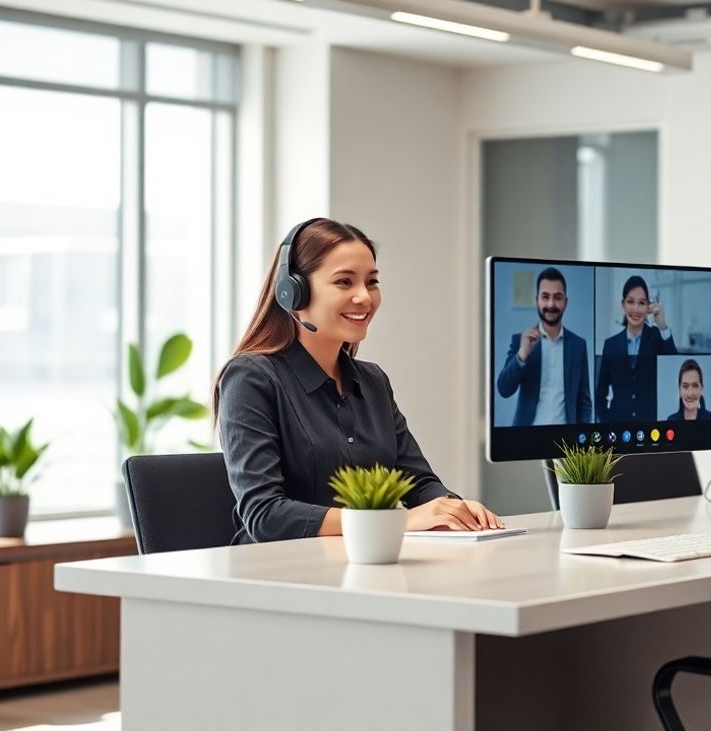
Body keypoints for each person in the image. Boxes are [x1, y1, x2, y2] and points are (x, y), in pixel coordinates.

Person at [213, 217, 503, 543]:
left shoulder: (373, 381)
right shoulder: (250, 379)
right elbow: (265, 515)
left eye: (372, 282)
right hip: (280, 576)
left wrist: (453, 508)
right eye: (344, 282)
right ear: (292, 292)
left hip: (363, 565)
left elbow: (417, 481)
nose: (364, 297)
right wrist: (398, 520)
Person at [495, 267, 592, 427]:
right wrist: (522, 354)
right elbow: (504, 389)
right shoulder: (521, 341)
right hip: (527, 441)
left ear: (565, 302)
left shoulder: (578, 345)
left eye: (557, 297)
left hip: (566, 443)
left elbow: (584, 402)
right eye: (545, 297)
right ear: (537, 300)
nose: (551, 304)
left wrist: (581, 441)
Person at [595, 275, 677, 423]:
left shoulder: (657, 338)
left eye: (642, 303)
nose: (636, 309)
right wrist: (606, 422)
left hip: (649, 427)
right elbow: (601, 394)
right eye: (630, 302)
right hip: (617, 428)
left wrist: (662, 325)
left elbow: (674, 367)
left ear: (648, 307)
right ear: (623, 305)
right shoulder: (611, 345)